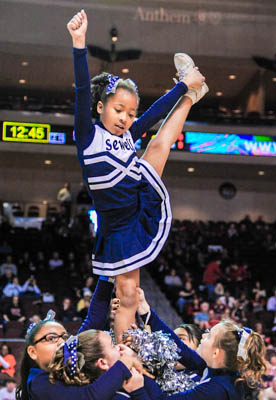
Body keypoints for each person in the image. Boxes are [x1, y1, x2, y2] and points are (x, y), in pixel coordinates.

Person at [67, 9, 207, 339]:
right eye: (118, 110)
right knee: (127, 295)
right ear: (100, 107)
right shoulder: (89, 136)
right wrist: (79, 43)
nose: (126, 118)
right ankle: (125, 356)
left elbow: (155, 112)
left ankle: (190, 90)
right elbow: (81, 89)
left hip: (136, 203)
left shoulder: (127, 135)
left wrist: (180, 86)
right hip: (117, 226)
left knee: (158, 146)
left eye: (130, 113)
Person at [15, 278, 140, 400]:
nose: (61, 341)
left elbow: (94, 319)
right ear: (33, 352)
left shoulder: (70, 361)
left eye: (64, 336)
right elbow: (89, 396)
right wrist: (124, 363)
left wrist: (107, 276)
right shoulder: (38, 383)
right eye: (51, 338)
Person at [133, 287, 267, 400]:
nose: (203, 335)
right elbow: (179, 347)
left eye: (209, 336)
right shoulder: (217, 370)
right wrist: (146, 312)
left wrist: (140, 369)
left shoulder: (215, 390)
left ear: (216, 353)